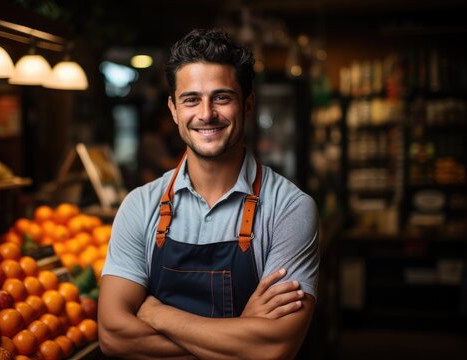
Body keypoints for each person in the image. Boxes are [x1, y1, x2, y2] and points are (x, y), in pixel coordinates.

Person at [98, 28, 319, 359]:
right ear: (173, 109)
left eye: (222, 97)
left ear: (247, 104)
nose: (206, 114)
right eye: (191, 99)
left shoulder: (290, 208)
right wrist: (240, 335)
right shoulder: (140, 205)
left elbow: (274, 346)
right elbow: (114, 335)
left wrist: (158, 314)